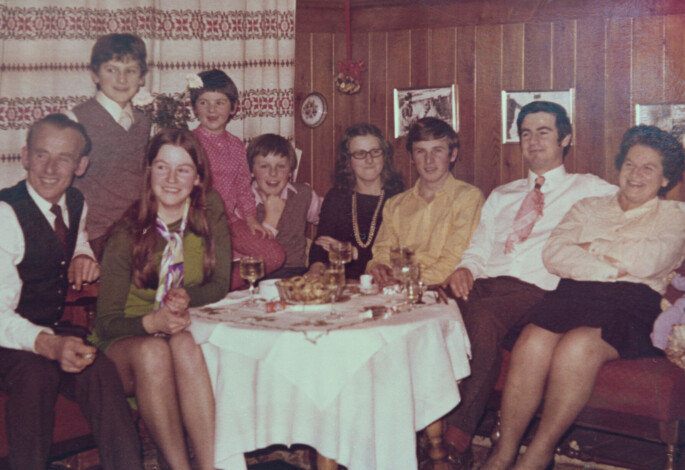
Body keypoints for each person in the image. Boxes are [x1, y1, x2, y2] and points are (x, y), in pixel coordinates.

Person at [482, 125, 685, 470]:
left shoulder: (676, 217)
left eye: (648, 168)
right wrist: (612, 267)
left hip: (632, 304)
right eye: (630, 165)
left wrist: (591, 247)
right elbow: (555, 255)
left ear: (666, 179)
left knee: (577, 347)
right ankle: (504, 451)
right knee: (531, 341)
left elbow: (650, 261)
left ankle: (539, 452)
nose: (636, 174)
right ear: (619, 167)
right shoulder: (587, 207)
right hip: (573, 295)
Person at [442, 101, 617, 467]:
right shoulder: (501, 195)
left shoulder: (587, 188)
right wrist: (465, 269)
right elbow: (478, 247)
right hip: (485, 282)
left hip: (535, 290)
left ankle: (456, 435)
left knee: (483, 316)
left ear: (564, 138)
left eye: (543, 132)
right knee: (424, 310)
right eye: (525, 133)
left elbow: (637, 202)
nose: (533, 141)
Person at [0, 114, 143, 470]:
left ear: (81, 165)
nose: (50, 168)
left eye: (63, 158)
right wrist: (48, 344)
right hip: (7, 338)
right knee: (36, 373)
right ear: (25, 157)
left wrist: (82, 254)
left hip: (48, 328)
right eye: (41, 154)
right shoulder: (5, 215)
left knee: (98, 368)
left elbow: (73, 236)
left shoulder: (76, 202)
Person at [90, 128, 232, 470]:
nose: (171, 179)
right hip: (124, 344)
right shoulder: (128, 233)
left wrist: (186, 296)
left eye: (183, 169)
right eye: (162, 167)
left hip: (177, 331)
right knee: (155, 350)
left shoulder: (209, 211)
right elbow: (106, 323)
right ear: (148, 171)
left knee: (184, 344)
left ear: (197, 178)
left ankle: (211, 466)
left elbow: (220, 285)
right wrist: (151, 323)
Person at [190, 69, 285, 289]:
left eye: (220, 102)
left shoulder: (236, 145)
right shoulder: (189, 142)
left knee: (273, 255)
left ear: (233, 107)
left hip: (231, 222)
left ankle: (217, 287)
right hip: (198, 224)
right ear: (194, 108)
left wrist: (251, 218)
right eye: (204, 103)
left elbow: (243, 186)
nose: (212, 110)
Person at [366, 117, 484, 287]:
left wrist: (406, 283)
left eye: (437, 151)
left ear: (453, 154)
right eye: (421, 151)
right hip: (397, 290)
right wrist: (379, 268)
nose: (429, 160)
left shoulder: (468, 197)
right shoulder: (395, 205)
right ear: (412, 157)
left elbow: (452, 260)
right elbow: (382, 252)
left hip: (442, 289)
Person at [68, 33, 152, 260]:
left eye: (131, 71)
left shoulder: (144, 122)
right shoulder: (75, 120)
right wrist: (79, 247)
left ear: (142, 77)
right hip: (97, 234)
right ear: (95, 74)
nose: (122, 80)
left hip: (139, 228)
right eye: (111, 70)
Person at [307, 123, 404, 279]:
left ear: (384, 156)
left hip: (384, 282)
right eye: (360, 153)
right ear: (348, 161)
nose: (369, 159)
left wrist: (352, 252)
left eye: (375, 152)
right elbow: (321, 244)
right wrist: (315, 269)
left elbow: (397, 255)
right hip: (341, 284)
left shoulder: (399, 198)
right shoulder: (336, 197)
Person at [247, 133, 322, 279]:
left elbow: (328, 217)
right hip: (255, 276)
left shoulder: (304, 194)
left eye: (281, 166)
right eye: (264, 166)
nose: (273, 173)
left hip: (294, 273)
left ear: (290, 172)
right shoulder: (243, 202)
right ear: (251, 171)